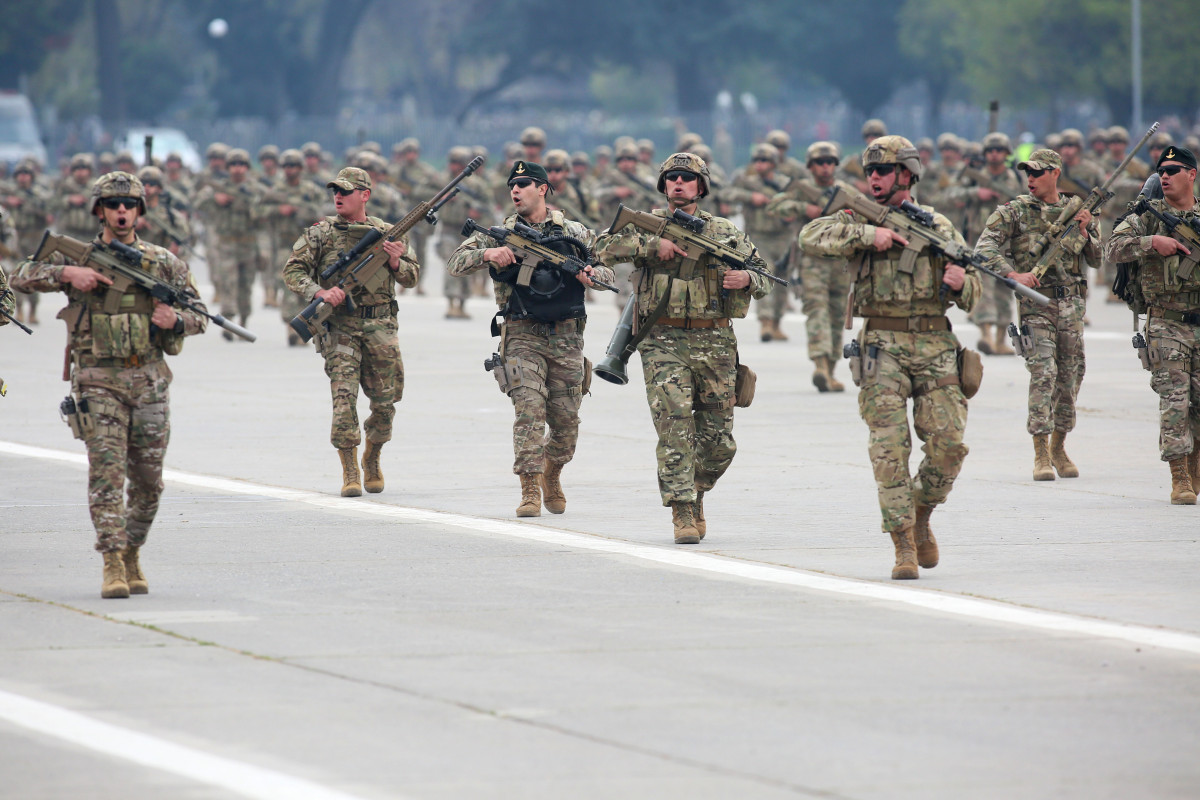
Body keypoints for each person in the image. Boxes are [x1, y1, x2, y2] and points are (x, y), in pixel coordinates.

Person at [12, 172, 209, 597]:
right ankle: (112, 561)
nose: (122, 211)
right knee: (106, 473)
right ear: (99, 210)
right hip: (97, 380)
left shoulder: (163, 262)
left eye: (130, 204)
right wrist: (66, 273)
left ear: (140, 211)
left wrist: (178, 321)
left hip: (150, 381)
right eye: (113, 204)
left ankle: (133, 548)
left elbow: (201, 314)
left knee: (149, 483)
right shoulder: (80, 258)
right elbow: (19, 277)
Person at [801, 136, 981, 580]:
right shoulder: (854, 217)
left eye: (884, 170)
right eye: (871, 171)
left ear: (908, 174)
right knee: (889, 448)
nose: (875, 178)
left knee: (950, 445)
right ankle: (902, 542)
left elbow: (975, 288)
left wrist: (961, 283)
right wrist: (868, 234)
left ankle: (922, 511)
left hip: (937, 344)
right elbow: (811, 236)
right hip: (882, 343)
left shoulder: (938, 225)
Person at [595, 153, 773, 544]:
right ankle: (682, 511)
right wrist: (650, 246)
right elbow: (602, 248)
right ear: (664, 185)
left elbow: (764, 276)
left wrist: (747, 279)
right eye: (672, 177)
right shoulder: (646, 224)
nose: (678, 183)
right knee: (674, 425)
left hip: (715, 343)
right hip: (662, 340)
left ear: (700, 187)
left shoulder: (725, 231)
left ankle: (696, 490)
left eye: (687, 178)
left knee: (719, 441)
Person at [447, 161, 613, 517]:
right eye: (512, 185)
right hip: (521, 334)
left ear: (543, 188)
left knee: (566, 424)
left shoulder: (574, 231)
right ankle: (528, 489)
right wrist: (487, 253)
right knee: (529, 410)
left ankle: (552, 472)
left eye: (523, 183)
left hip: (567, 338)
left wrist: (591, 274)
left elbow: (607, 269)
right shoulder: (500, 233)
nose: (515, 190)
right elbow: (455, 261)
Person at [283, 167, 419, 496]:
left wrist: (396, 262)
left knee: (386, 403)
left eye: (345, 191)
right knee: (344, 400)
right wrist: (319, 292)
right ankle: (349, 468)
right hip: (339, 328)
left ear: (365, 195)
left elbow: (412, 277)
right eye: (335, 192)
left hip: (381, 326)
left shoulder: (389, 233)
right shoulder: (321, 233)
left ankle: (372, 456)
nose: (338, 197)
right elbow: (293, 270)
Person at [974, 148, 1100, 482]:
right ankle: (1041, 452)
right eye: (1027, 172)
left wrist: (1086, 231)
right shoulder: (1014, 211)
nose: (1030, 178)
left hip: (1071, 305)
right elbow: (983, 249)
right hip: (1036, 304)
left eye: (1037, 172)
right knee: (1043, 373)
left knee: (1071, 375)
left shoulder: (1077, 209)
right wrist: (1013, 274)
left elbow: (1099, 259)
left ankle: (1060, 445)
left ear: (1055, 172)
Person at [1105, 145, 1200, 504]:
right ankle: (1179, 478)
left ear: (1192, 174)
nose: (1165, 174)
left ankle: (1195, 468)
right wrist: (1151, 242)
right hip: (1166, 322)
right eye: (1161, 169)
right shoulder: (1148, 214)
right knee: (1175, 402)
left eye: (1174, 169)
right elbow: (1112, 248)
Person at [768, 141, 851, 391]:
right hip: (812, 261)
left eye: (829, 163)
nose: (825, 168)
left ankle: (832, 369)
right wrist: (805, 208)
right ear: (810, 166)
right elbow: (775, 205)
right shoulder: (803, 190)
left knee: (837, 315)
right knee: (817, 311)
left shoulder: (844, 191)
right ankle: (820, 365)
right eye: (819, 163)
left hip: (841, 261)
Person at [947, 131, 1026, 355]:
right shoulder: (973, 176)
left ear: (1006, 153)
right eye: (990, 151)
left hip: (1008, 245)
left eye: (999, 150)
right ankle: (986, 336)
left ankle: (1001, 340)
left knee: (1004, 291)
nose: (994, 155)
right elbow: (948, 194)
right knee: (983, 290)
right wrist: (975, 193)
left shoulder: (1016, 179)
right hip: (979, 241)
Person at [194, 148, 261, 337]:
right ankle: (229, 322)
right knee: (227, 282)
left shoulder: (255, 189)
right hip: (226, 243)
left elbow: (265, 211)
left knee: (245, 284)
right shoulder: (218, 187)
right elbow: (197, 201)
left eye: (241, 165)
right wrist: (216, 199)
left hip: (248, 243)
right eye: (233, 165)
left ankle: (244, 319)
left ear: (247, 167)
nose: (237, 169)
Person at [731, 142, 795, 342]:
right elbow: (726, 193)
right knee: (765, 275)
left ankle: (777, 322)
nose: (760, 164)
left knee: (783, 278)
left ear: (774, 163)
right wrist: (751, 197)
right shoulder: (747, 181)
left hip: (783, 236)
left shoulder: (786, 183)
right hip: (759, 236)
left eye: (764, 160)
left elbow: (800, 202)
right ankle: (765, 322)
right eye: (757, 160)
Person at [262, 149, 325, 344]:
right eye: (287, 166)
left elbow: (323, 213)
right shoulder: (275, 190)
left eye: (294, 166)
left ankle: (303, 325)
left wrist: (303, 211)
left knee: (308, 286)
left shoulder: (311, 190)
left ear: (300, 168)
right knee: (288, 285)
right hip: (284, 246)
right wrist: (278, 210)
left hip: (308, 245)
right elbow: (257, 210)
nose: (290, 170)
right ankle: (291, 326)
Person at [436, 147, 491, 319]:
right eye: (452, 162)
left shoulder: (476, 185)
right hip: (447, 228)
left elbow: (488, 204)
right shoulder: (442, 180)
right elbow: (420, 193)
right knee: (450, 263)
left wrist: (475, 208)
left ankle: (462, 303)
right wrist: (442, 198)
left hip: (467, 230)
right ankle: (451, 302)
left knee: (467, 264)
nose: (454, 166)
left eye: (458, 163)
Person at [2, 159, 52, 324]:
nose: (23, 178)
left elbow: (48, 211)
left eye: (26, 174)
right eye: (20, 174)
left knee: (33, 273)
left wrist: (29, 204)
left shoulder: (39, 194)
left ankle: (33, 310)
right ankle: (19, 309)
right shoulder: (8, 191)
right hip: (16, 236)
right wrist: (9, 202)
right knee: (15, 273)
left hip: (34, 237)